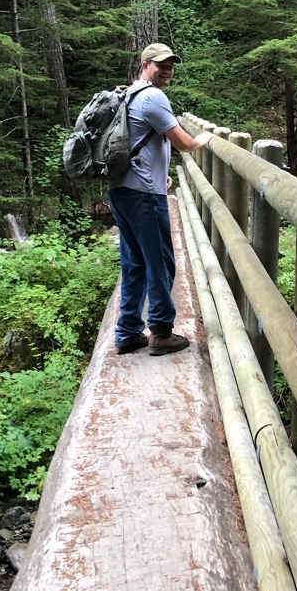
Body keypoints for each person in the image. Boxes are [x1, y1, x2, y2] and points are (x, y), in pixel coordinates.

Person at [108, 42, 213, 356]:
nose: (167, 70)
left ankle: (127, 332)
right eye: (160, 64)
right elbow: (184, 143)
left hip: (121, 190)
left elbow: (138, 142)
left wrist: (159, 174)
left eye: (170, 65)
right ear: (145, 65)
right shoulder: (153, 96)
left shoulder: (127, 94)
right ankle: (162, 332)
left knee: (134, 262)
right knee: (161, 263)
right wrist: (203, 139)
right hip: (142, 196)